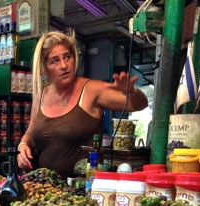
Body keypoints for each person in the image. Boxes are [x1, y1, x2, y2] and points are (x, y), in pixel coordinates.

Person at [17, 31, 148, 178]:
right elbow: (30, 134)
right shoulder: (40, 96)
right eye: (55, 61)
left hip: (84, 190)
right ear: (45, 68)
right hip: (47, 190)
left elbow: (138, 104)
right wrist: (23, 146)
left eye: (67, 57)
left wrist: (132, 92)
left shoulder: (92, 90)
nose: (64, 65)